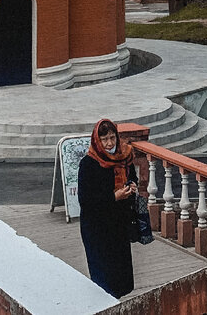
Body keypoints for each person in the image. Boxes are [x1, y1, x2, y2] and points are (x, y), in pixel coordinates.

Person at [77, 118, 136, 297]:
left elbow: (132, 177)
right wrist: (114, 197)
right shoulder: (89, 164)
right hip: (97, 229)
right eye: (105, 139)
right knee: (103, 277)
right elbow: (86, 200)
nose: (110, 143)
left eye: (112, 138)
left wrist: (131, 186)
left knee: (120, 276)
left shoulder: (124, 158)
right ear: (97, 140)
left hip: (119, 225)